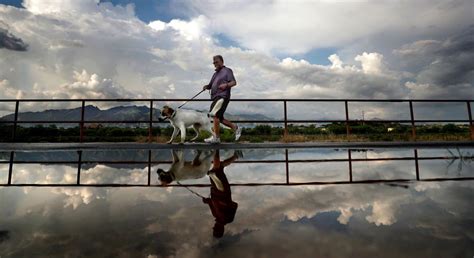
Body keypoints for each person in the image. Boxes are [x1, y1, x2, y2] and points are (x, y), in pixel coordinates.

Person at [202, 149, 242, 238]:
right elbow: (235, 205)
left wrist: (207, 201)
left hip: (215, 189)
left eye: (214, 228)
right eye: (216, 228)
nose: (214, 226)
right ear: (221, 229)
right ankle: (216, 147)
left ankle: (236, 156)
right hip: (223, 190)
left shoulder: (215, 215)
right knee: (215, 170)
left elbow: (211, 202)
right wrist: (225, 203)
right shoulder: (228, 219)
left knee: (219, 167)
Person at [202, 55, 242, 143]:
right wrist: (207, 86)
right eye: (214, 62)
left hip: (223, 96)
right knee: (219, 118)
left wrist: (226, 85)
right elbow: (210, 85)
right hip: (216, 97)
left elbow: (234, 82)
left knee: (214, 115)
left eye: (217, 62)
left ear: (222, 61)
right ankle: (236, 128)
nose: (215, 64)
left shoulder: (227, 71)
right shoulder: (215, 74)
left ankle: (216, 137)